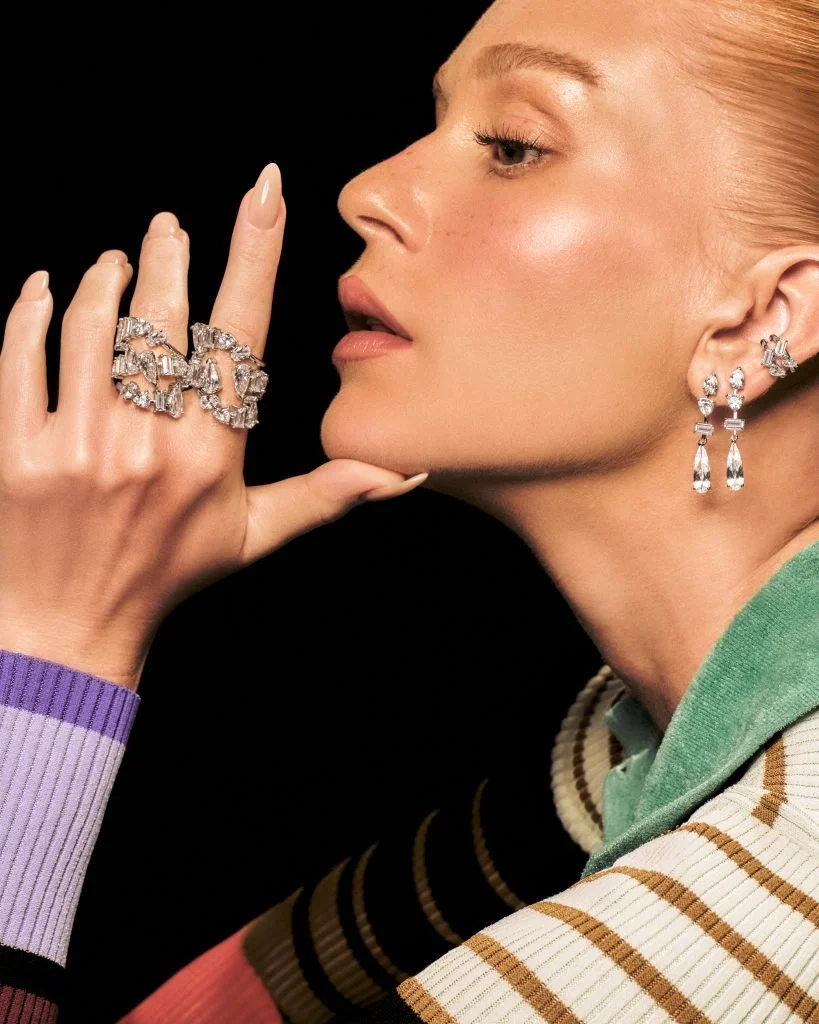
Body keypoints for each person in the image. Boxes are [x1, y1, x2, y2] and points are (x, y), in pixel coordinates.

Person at [1, 0, 818, 1018]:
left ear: (762, 318)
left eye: (513, 146)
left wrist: (59, 640)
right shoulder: (615, 764)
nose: (366, 192)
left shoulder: (766, 889)